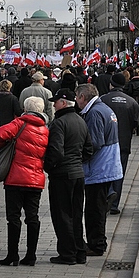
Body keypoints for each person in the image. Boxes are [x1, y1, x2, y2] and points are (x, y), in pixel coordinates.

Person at [0, 96, 49, 267]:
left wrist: (2, 146)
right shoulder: (46, 129)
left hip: (15, 179)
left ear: (25, 108)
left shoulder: (19, 123)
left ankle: (13, 255)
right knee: (33, 217)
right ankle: (31, 255)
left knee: (14, 218)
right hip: (35, 180)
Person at [44, 89, 93, 265]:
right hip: (78, 174)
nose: (54, 105)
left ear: (63, 103)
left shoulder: (59, 123)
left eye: (55, 102)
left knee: (62, 215)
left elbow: (56, 151)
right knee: (76, 215)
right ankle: (79, 252)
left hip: (62, 175)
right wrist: (77, 161)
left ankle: (67, 254)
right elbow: (89, 149)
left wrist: (48, 166)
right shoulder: (81, 121)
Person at [75, 83, 123, 257]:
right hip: (107, 165)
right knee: (97, 207)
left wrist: (79, 156)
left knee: (94, 210)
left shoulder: (94, 112)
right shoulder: (103, 108)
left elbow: (94, 142)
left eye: (76, 97)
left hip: (99, 167)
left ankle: (96, 244)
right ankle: (98, 242)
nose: (75, 100)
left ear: (82, 97)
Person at [100, 73, 139, 214]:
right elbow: (136, 122)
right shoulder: (131, 102)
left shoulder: (102, 100)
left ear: (111, 84)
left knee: (104, 171)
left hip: (105, 143)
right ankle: (114, 204)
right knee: (119, 173)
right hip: (123, 142)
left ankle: (106, 196)